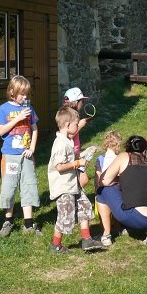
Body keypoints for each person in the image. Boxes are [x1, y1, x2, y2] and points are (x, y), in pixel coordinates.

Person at [47, 106, 105, 253]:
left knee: (85, 206)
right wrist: (77, 163)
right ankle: (56, 245)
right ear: (68, 125)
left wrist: (82, 156)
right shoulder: (60, 144)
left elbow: (71, 160)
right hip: (63, 187)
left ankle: (86, 239)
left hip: (72, 184)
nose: (77, 126)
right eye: (76, 124)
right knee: (65, 215)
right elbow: (59, 167)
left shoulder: (67, 141)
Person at [98, 135, 147, 244]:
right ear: (145, 150)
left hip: (136, 217)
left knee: (102, 191)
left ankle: (106, 235)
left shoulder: (124, 156)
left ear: (127, 148)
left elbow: (103, 181)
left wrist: (119, 178)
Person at [0, 75, 41, 236]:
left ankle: (28, 223)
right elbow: (1, 131)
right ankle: (8, 220)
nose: (25, 97)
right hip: (10, 156)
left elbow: (34, 128)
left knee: (28, 185)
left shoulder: (29, 109)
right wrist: (18, 119)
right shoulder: (4, 109)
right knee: (9, 186)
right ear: (12, 92)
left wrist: (32, 148)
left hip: (26, 155)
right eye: (22, 94)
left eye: (27, 94)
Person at [94, 130, 123, 246]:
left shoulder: (100, 159)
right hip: (118, 189)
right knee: (117, 210)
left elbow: (98, 176)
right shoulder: (120, 158)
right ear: (117, 144)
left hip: (103, 190)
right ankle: (119, 228)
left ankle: (105, 233)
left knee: (103, 213)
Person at [63, 87, 94, 187]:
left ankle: (76, 195)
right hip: (70, 153)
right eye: (82, 101)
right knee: (82, 179)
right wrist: (80, 125)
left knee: (81, 178)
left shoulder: (73, 114)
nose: (83, 103)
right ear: (75, 102)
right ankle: (74, 195)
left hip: (75, 152)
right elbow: (68, 135)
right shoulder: (69, 116)